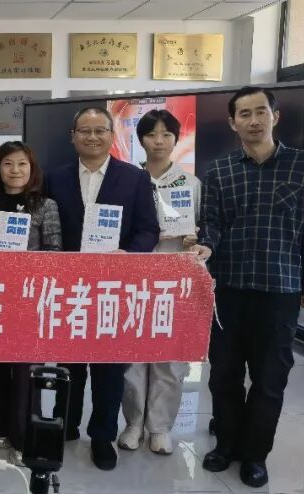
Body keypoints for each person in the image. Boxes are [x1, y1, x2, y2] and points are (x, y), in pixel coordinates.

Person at [190, 86, 304, 488]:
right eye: (244, 114)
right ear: (233, 123)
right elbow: (212, 223)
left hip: (280, 289)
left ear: (274, 116)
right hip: (228, 288)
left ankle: (255, 455)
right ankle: (226, 444)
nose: (253, 121)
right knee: (224, 375)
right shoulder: (219, 171)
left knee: (270, 380)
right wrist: (206, 245)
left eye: (260, 112)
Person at [45, 106, 160, 471]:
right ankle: (65, 425)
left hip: (114, 287)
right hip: (68, 287)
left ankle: (102, 435)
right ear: (73, 136)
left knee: (109, 368)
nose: (92, 137)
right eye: (84, 130)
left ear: (112, 136)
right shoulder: (54, 178)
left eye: (100, 130)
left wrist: (130, 254)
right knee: (69, 363)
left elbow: (149, 229)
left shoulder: (135, 178)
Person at [118, 109, 200, 455]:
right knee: (132, 354)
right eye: (152, 134)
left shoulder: (190, 184)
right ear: (141, 140)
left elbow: (204, 232)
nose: (159, 141)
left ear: (176, 140)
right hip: (134, 278)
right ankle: (134, 423)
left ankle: (160, 427)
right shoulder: (128, 181)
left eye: (167, 134)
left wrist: (195, 239)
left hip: (174, 279)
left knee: (169, 356)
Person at [0, 141, 61, 458]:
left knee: (27, 372)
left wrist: (27, 266)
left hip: (30, 300)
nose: (15, 170)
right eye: (8, 164)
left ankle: (22, 437)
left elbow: (54, 251)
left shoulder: (45, 206)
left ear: (32, 168)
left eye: (22, 164)